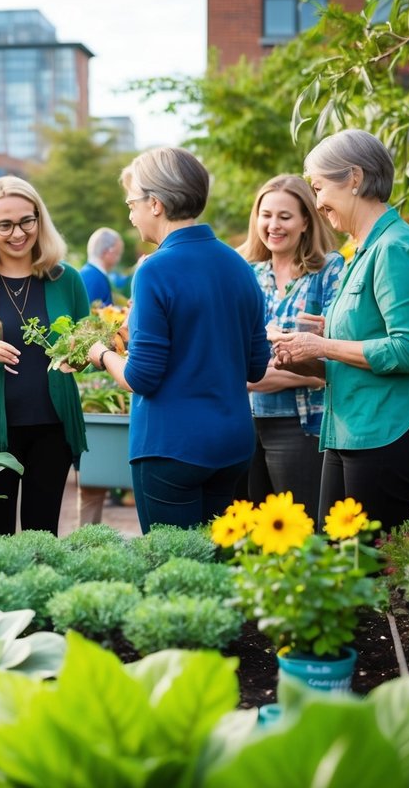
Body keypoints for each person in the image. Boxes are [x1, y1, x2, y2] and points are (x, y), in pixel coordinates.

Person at [86, 148, 270, 532]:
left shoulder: (155, 270)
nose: (130, 214)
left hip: (172, 446)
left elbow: (142, 378)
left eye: (132, 203)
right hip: (233, 444)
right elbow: (255, 366)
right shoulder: (239, 265)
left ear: (155, 204)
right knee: (220, 571)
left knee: (175, 575)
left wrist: (101, 353)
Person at [273, 129, 409, 531]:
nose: (317, 203)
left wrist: (324, 344)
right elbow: (357, 348)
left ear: (354, 178)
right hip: (351, 431)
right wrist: (303, 353)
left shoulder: (394, 248)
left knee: (367, 574)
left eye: (319, 188)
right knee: (339, 568)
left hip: (385, 434)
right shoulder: (362, 250)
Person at [0, 176, 89, 540]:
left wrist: (82, 356)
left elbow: (87, 350)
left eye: (27, 220)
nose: (18, 233)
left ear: (40, 219)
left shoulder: (65, 279)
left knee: (43, 534)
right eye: (4, 224)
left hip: (53, 427)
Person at [238, 175, 345, 514]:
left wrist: (255, 374)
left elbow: (331, 362)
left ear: (305, 221)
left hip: (302, 427)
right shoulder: (246, 272)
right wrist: (291, 360)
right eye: (265, 215)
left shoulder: (329, 270)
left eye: (284, 216)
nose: (273, 225)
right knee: (250, 536)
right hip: (246, 424)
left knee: (302, 534)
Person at [79, 227, 124, 306]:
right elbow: (94, 315)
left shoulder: (88, 272)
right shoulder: (96, 278)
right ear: (108, 252)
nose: (118, 259)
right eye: (118, 253)